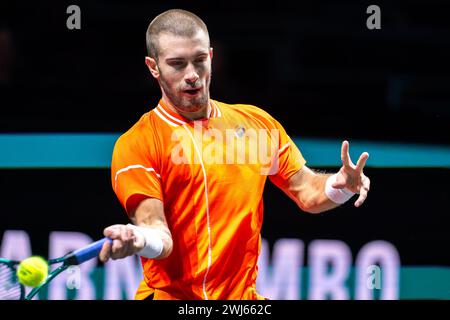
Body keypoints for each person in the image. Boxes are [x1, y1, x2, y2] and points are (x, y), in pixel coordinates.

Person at [98, 9, 371, 300]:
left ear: (211, 57)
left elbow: (305, 192)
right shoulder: (138, 143)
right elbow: (159, 234)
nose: (192, 75)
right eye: (177, 64)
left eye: (199, 60)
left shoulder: (256, 125)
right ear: (154, 67)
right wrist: (138, 238)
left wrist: (339, 186)